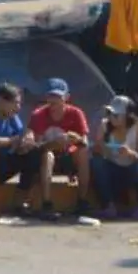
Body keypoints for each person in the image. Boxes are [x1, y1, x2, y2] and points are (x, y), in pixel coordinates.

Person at [23, 78, 92, 219]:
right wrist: (54, 144)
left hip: (69, 157)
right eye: (50, 96)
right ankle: (47, 203)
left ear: (66, 97)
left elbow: (84, 142)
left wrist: (74, 139)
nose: (53, 101)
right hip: (46, 157)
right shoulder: (38, 115)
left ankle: (82, 201)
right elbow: (36, 147)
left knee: (83, 153)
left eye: (57, 96)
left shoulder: (76, 113)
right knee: (47, 156)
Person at [91, 95, 138, 220]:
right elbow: (96, 151)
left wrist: (131, 153)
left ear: (127, 115)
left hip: (132, 168)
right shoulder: (105, 125)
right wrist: (102, 147)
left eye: (116, 115)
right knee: (96, 163)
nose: (111, 117)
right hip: (113, 167)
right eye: (109, 113)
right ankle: (108, 206)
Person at [0, 84, 32, 208]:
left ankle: (20, 201)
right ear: (1, 101)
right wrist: (10, 141)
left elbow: (21, 134)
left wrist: (27, 138)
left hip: (5, 164)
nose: (18, 108)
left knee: (34, 155)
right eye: (15, 103)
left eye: (20, 104)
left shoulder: (12, 117)